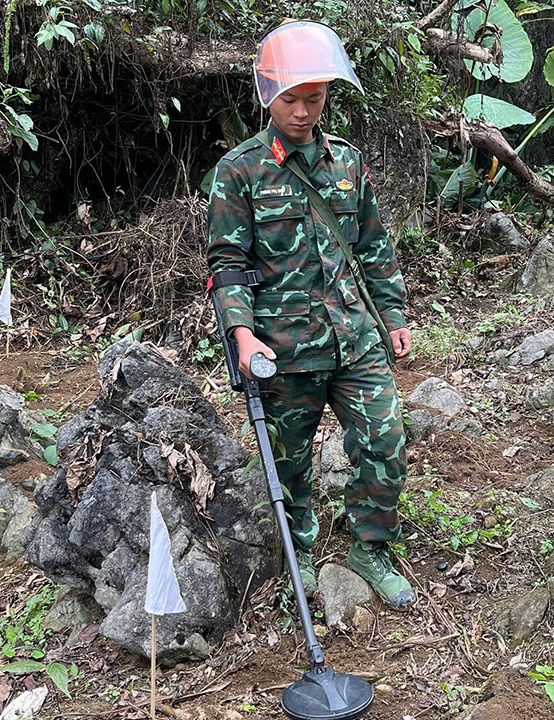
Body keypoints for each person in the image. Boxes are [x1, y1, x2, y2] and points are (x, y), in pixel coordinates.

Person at [206, 21, 415, 609]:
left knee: (385, 440)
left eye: (315, 98)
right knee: (288, 465)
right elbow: (227, 265)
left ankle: (370, 549)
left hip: (353, 335)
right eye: (291, 99)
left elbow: (374, 245)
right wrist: (243, 337)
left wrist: (393, 315)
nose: (302, 111)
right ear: (267, 94)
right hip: (283, 347)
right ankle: (293, 552)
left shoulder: (346, 163)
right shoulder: (239, 172)